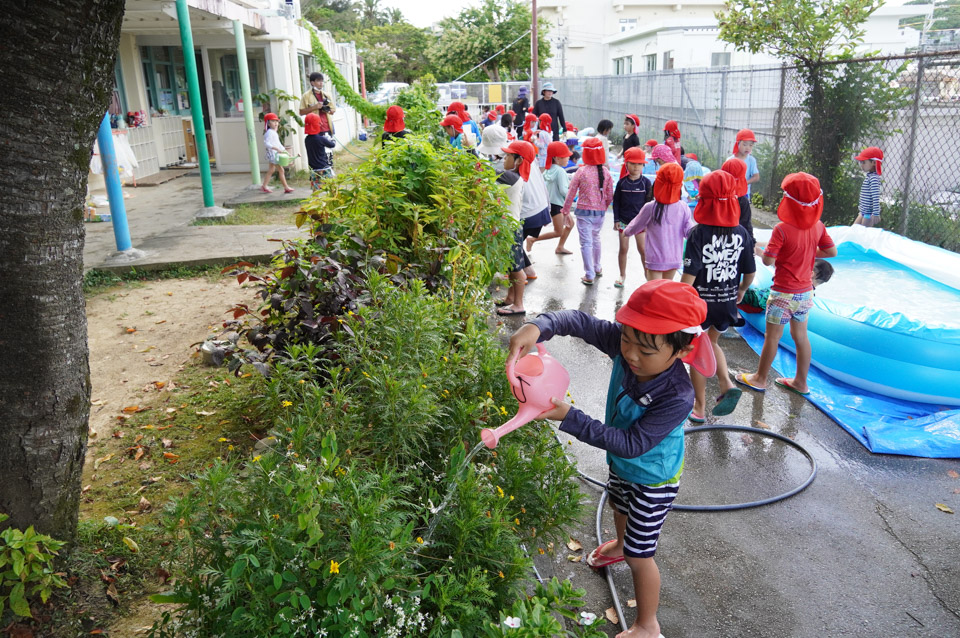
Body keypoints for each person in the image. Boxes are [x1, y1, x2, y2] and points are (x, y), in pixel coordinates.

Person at [507, 279, 715, 638]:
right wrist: (539, 325)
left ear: (681, 351)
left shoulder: (677, 394)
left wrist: (571, 417)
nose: (631, 354)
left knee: (641, 555)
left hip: (654, 479)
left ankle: (648, 624)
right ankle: (619, 544)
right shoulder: (629, 345)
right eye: (626, 340)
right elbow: (578, 320)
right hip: (622, 465)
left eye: (645, 351)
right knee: (618, 503)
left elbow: (633, 443)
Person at [737, 173, 838, 396]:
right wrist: (809, 254)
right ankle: (801, 382)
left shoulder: (782, 229)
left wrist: (770, 253)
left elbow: (768, 261)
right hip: (804, 294)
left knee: (772, 337)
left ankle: (760, 378)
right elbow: (832, 251)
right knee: (801, 338)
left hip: (783, 293)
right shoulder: (818, 226)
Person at [681, 170, 757, 421]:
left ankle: (699, 407)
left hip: (700, 307)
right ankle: (727, 385)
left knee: (696, 354)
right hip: (726, 304)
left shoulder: (698, 234)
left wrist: (679, 304)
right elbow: (749, 272)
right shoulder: (741, 234)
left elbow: (689, 279)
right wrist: (742, 290)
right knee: (712, 343)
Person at [495, 140, 551, 317]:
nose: (504, 159)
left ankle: (519, 304)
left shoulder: (511, 177)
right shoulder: (514, 175)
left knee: (517, 268)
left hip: (511, 228)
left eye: (508, 156)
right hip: (512, 226)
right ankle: (511, 298)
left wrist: (470, 150)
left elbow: (484, 170)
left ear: (518, 161)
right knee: (512, 266)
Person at [623, 163, 693, 282]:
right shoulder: (684, 207)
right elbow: (689, 232)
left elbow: (635, 225)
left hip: (655, 259)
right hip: (674, 259)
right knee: (665, 291)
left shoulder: (650, 207)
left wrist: (626, 232)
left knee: (654, 292)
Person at [561, 137, 614, 285]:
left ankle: (589, 274)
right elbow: (610, 195)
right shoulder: (606, 172)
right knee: (596, 239)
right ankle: (597, 267)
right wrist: (603, 206)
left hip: (584, 213)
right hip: (600, 213)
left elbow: (571, 192)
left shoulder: (581, 171)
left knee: (586, 243)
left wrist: (565, 210)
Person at [612, 147, 654, 288]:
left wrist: (648, 222)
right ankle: (622, 275)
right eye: (633, 163)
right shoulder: (622, 183)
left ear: (643, 165)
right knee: (623, 249)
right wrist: (616, 220)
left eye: (639, 164)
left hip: (641, 223)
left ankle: (647, 275)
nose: (636, 167)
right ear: (626, 164)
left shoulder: (646, 183)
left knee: (643, 249)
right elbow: (616, 202)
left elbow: (650, 204)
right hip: (624, 221)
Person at [527, 141, 574, 255]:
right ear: (557, 159)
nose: (568, 157)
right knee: (558, 231)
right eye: (565, 156)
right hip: (558, 205)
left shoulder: (546, 170)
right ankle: (533, 239)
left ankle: (560, 246)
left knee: (570, 224)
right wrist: (574, 194)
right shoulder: (560, 171)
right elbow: (563, 191)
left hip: (549, 203)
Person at [721, 157, 755, 248]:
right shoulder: (742, 201)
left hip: (714, 241)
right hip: (736, 242)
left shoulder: (715, 196)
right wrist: (751, 244)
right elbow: (746, 225)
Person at [260, 113, 294, 194]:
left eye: (277, 121)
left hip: (273, 154)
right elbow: (267, 143)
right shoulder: (269, 133)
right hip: (273, 154)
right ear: (268, 123)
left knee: (271, 170)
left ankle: (264, 186)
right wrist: (275, 148)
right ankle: (286, 187)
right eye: (273, 121)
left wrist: (285, 152)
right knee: (281, 170)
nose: (276, 123)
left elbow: (278, 144)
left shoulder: (273, 132)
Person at [304, 113, 336, 190]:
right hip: (324, 168)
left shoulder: (307, 139)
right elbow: (332, 145)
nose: (320, 124)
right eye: (319, 122)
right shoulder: (321, 139)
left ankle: (315, 201)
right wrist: (330, 139)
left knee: (316, 190)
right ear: (316, 124)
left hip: (313, 169)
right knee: (332, 188)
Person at [853, 146, 884, 227]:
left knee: (864, 235)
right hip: (863, 212)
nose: (861, 165)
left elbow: (875, 197)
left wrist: (876, 213)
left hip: (868, 214)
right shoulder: (869, 176)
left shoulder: (874, 178)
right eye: (861, 162)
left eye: (864, 162)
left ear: (874, 163)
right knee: (854, 230)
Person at [729, 129, 759, 199]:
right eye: (744, 144)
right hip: (730, 194)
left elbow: (756, 177)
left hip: (744, 193)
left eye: (751, 145)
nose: (748, 148)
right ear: (738, 143)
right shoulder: (730, 160)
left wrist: (744, 183)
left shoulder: (751, 160)